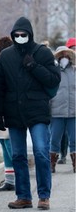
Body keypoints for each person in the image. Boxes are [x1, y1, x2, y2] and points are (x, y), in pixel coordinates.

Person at [0, 16, 61, 210]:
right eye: (17, 35)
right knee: (18, 155)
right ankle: (23, 196)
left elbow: (53, 80)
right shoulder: (6, 56)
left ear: (30, 34)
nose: (21, 37)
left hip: (37, 110)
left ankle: (43, 196)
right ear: (13, 35)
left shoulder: (42, 53)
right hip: (13, 111)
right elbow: (0, 87)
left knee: (41, 152)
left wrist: (34, 66)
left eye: (24, 34)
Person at [0, 36, 15, 192]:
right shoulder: (0, 66)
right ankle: (10, 179)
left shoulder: (8, 67)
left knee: (10, 146)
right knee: (4, 144)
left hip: (8, 111)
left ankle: (16, 179)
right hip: (1, 111)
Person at [49, 45, 75, 173]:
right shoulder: (53, 71)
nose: (64, 58)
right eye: (61, 55)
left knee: (74, 139)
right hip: (56, 111)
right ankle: (51, 163)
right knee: (54, 138)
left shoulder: (74, 71)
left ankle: (75, 163)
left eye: (66, 55)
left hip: (73, 111)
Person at [57, 37, 76, 165]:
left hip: (74, 104)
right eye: (73, 48)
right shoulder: (59, 67)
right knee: (62, 133)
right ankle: (62, 154)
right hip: (60, 105)